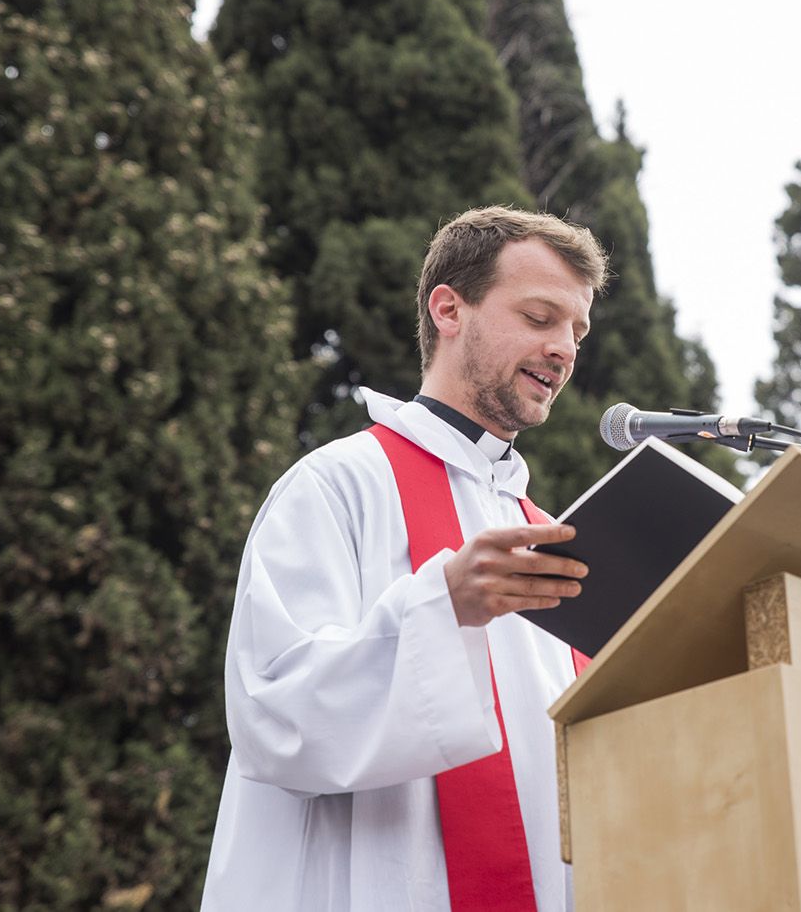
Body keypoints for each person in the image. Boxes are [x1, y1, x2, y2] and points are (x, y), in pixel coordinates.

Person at [201, 206, 608, 911]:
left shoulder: (551, 539)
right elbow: (274, 712)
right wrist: (442, 605)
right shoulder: (335, 486)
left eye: (576, 332)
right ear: (449, 309)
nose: (564, 349)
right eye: (540, 318)